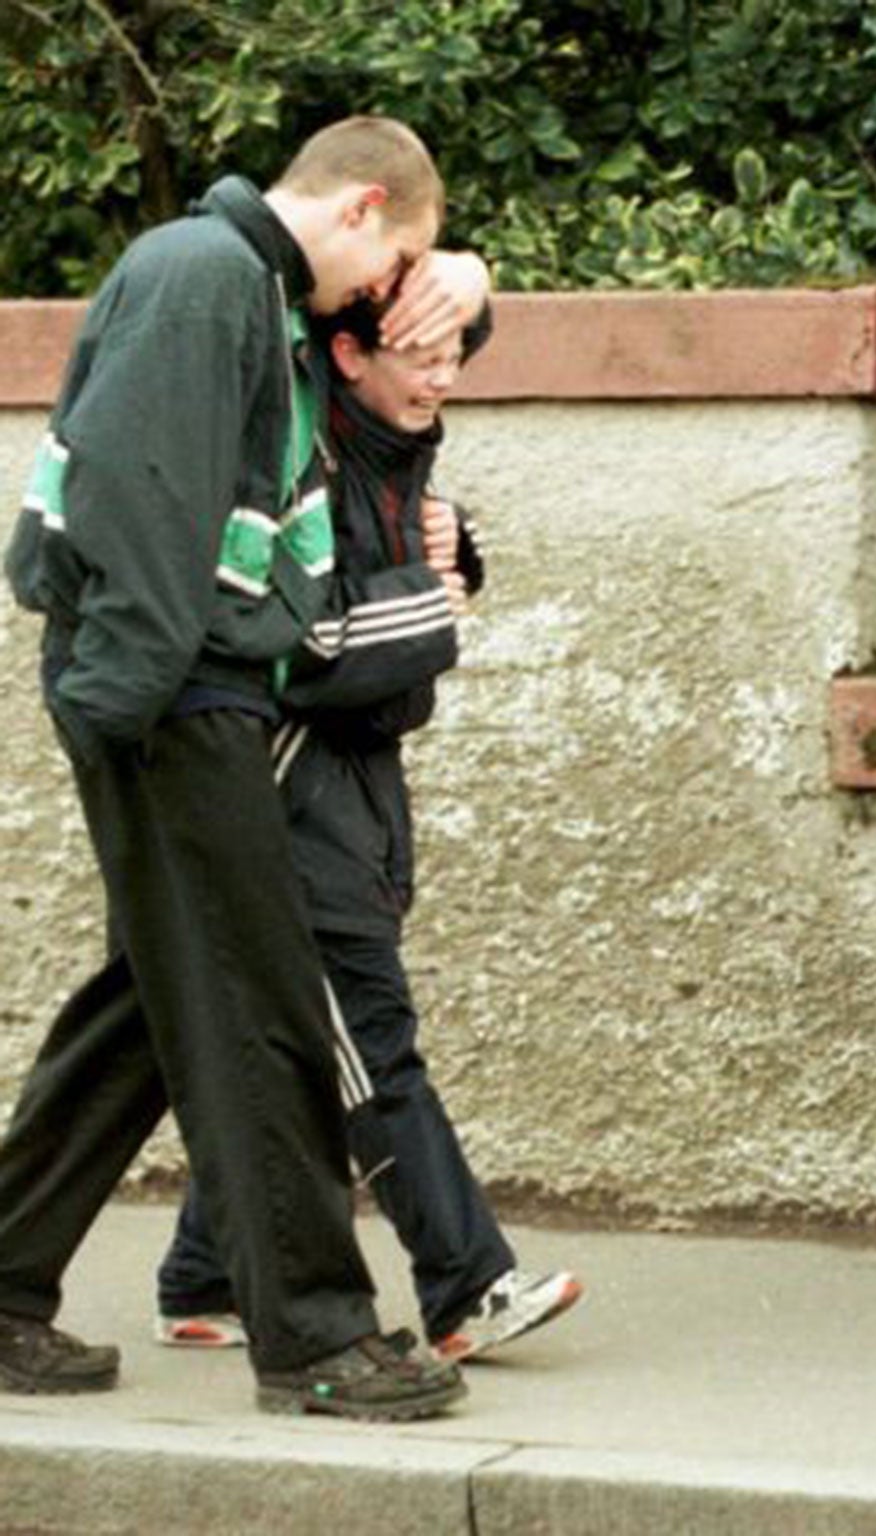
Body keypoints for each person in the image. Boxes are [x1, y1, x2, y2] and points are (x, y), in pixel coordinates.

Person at [0, 117, 469, 1420]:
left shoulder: (234, 281)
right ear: (364, 209)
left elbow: (437, 321)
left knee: (152, 1007)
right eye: (400, 260)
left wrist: (463, 278)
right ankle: (316, 1340)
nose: (391, 294)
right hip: (171, 699)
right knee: (263, 1013)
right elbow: (142, 509)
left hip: (178, 690)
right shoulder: (204, 278)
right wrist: (136, 711)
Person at [152, 289, 586, 1364]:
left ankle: (199, 1274)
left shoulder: (393, 455)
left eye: (455, 357)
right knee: (369, 1051)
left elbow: (396, 576)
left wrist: (454, 560)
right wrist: (436, 600)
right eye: (423, 355)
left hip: (348, 803)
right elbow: (310, 644)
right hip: (291, 803)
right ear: (344, 353)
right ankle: (465, 1287)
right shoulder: (310, 462)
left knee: (290, 1053)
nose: (443, 376)